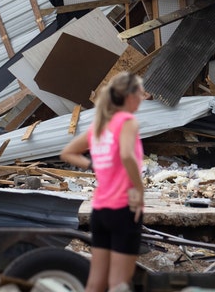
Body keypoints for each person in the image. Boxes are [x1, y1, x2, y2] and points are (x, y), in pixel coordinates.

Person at [61, 71, 149, 292]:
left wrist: (94, 165)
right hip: (123, 209)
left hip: (100, 211)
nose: (143, 97)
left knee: (96, 283)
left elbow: (68, 152)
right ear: (129, 96)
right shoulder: (127, 121)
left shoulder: (100, 126)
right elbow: (128, 155)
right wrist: (139, 189)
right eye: (140, 93)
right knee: (119, 284)